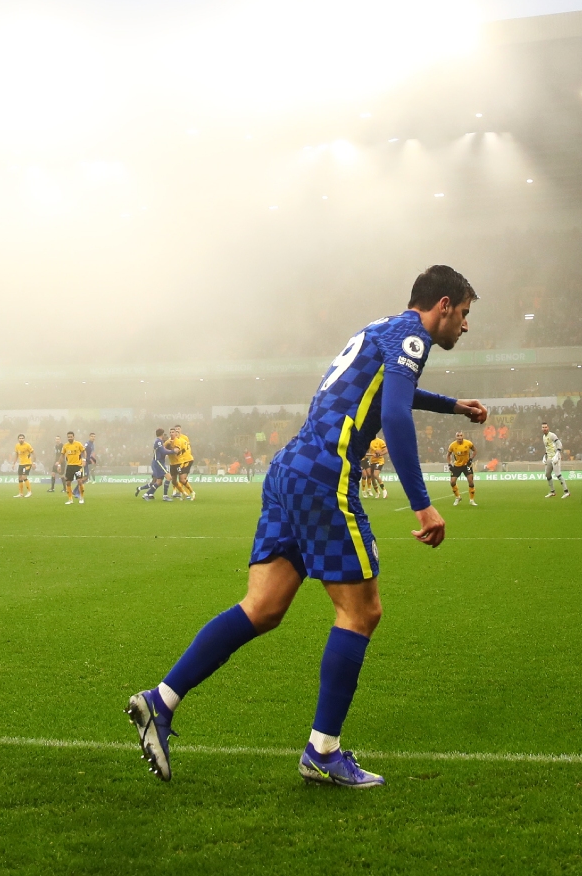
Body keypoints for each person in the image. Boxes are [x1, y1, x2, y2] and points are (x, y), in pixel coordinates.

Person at [126, 264, 489, 788]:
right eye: (465, 314)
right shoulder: (413, 337)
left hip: (289, 470)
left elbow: (389, 391)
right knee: (362, 611)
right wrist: (422, 504)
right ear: (444, 306)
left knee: (263, 607)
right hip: (326, 475)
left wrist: (451, 405)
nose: (465, 326)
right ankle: (323, 751)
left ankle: (160, 701)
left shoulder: (379, 330)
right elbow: (393, 414)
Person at [138, 428, 169, 500]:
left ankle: (147, 493)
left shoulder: (161, 444)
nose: (165, 437)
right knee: (159, 480)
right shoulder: (159, 443)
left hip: (158, 463)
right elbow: (161, 453)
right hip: (157, 463)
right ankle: (163, 496)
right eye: (164, 436)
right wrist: (173, 451)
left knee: (158, 482)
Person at [447, 431, 477, 506]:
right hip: (457, 466)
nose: (459, 437)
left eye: (461, 435)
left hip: (466, 465)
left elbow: (475, 451)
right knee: (452, 482)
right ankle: (458, 497)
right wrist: (450, 464)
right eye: (458, 436)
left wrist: (471, 459)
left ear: (463, 436)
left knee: (470, 481)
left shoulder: (468, 443)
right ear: (456, 437)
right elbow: (448, 455)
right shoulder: (452, 445)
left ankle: (472, 500)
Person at [541, 422, 569, 498]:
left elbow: (559, 444)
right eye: (543, 427)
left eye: (545, 427)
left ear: (548, 427)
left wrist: (557, 454)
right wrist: (545, 456)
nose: (544, 429)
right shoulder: (543, 437)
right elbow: (547, 448)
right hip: (549, 458)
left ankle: (566, 491)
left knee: (558, 474)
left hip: (555, 457)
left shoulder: (552, 435)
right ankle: (552, 491)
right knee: (547, 474)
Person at [168, 424, 195, 500]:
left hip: (184, 460)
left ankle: (189, 493)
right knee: (174, 480)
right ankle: (179, 493)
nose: (175, 432)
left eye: (177, 430)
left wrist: (169, 452)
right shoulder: (171, 440)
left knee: (182, 478)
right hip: (176, 462)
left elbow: (182, 450)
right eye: (173, 431)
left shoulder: (182, 439)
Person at [61, 431, 86, 505]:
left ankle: (81, 497)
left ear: (73, 437)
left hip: (78, 466)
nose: (69, 438)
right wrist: (59, 464)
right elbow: (62, 455)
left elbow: (84, 452)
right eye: (68, 437)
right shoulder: (65, 446)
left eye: (71, 437)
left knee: (79, 481)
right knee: (68, 482)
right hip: (69, 466)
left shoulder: (78, 444)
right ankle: (70, 499)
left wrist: (84, 460)